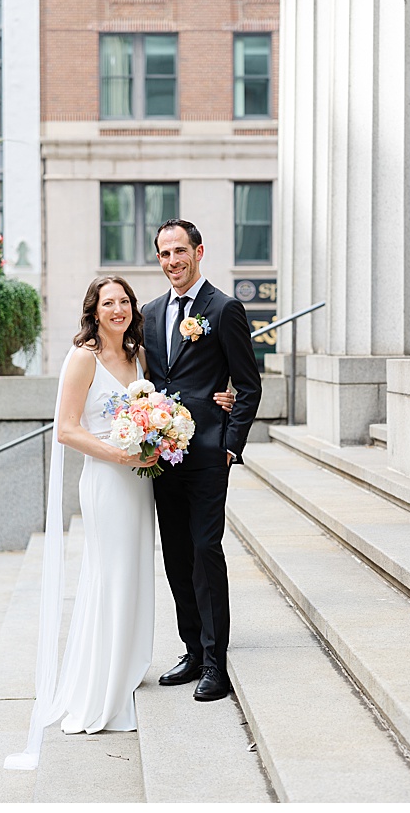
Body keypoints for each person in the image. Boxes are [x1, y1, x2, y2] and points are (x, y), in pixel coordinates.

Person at [4, 277, 235, 770]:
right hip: (109, 481)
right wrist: (121, 453)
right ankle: (100, 682)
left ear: (134, 308)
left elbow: (170, 396)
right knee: (107, 574)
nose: (118, 309)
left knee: (133, 574)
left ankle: (126, 668)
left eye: (124, 301)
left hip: (139, 482)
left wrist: (220, 400)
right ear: (93, 309)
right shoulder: (82, 357)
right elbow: (66, 430)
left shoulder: (139, 356)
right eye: (108, 302)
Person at [142, 220, 261, 702]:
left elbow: (248, 384)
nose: (172, 261)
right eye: (164, 254)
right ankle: (191, 650)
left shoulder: (224, 308)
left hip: (209, 453)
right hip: (161, 457)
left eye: (179, 251)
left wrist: (230, 443)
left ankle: (216, 662)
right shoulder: (149, 313)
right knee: (175, 555)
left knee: (205, 552)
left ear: (198, 252)